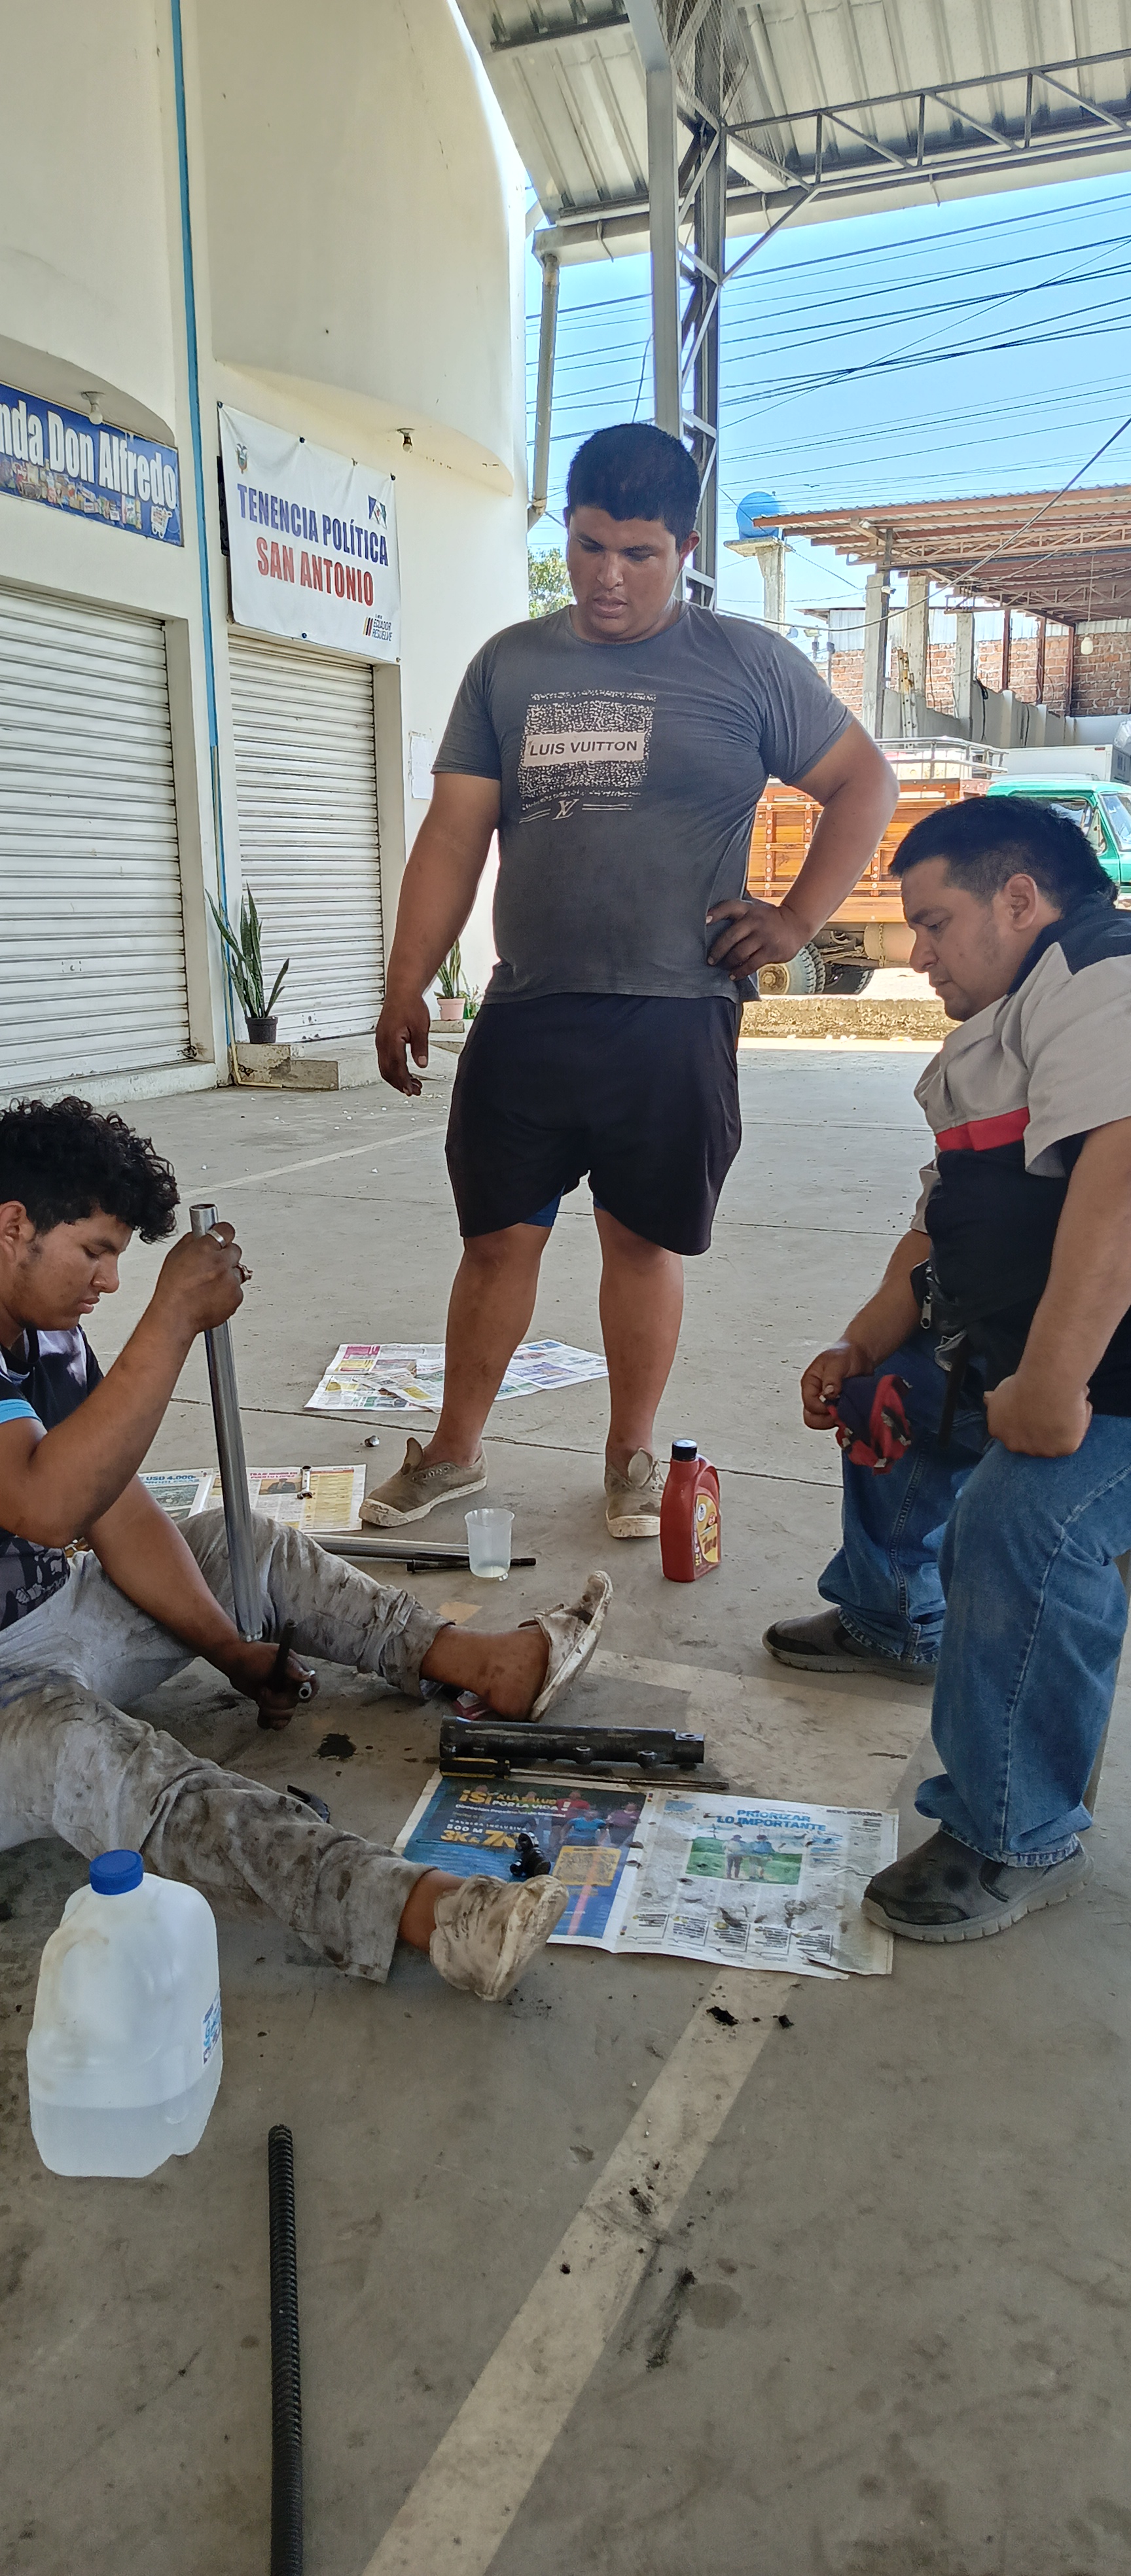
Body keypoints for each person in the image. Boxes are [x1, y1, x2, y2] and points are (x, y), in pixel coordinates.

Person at [370, 422, 897, 1541]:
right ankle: (455, 1451)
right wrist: (407, 980)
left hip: (675, 1015)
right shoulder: (510, 665)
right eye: (589, 546)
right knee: (495, 1241)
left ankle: (628, 1457)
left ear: (685, 551)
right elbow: (454, 835)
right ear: (566, 533)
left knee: (641, 1243)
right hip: (529, 1009)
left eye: (639, 554)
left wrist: (797, 918)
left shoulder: (748, 664)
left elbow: (864, 781)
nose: (608, 577)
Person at [0, 1098, 614, 2001]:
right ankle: (422, 1911)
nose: (110, 1282)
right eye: (94, 1252)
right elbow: (46, 1508)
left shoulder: (46, 1329)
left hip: (45, 1621)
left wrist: (230, 1650)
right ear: (14, 1225)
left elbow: (115, 1509)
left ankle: (481, 1663)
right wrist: (172, 1318)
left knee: (241, 1543)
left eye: (119, 1258)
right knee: (101, 1760)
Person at [763, 798, 1131, 1945]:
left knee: (1022, 1521)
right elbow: (940, 1225)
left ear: (1020, 899)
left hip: (1110, 1373)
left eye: (933, 923)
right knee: (890, 1397)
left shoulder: (1103, 975)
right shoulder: (1004, 1031)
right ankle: (889, 1622)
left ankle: (1015, 1832)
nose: (916, 954)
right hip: (1025, 1344)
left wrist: (1053, 1385)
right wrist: (862, 1343)